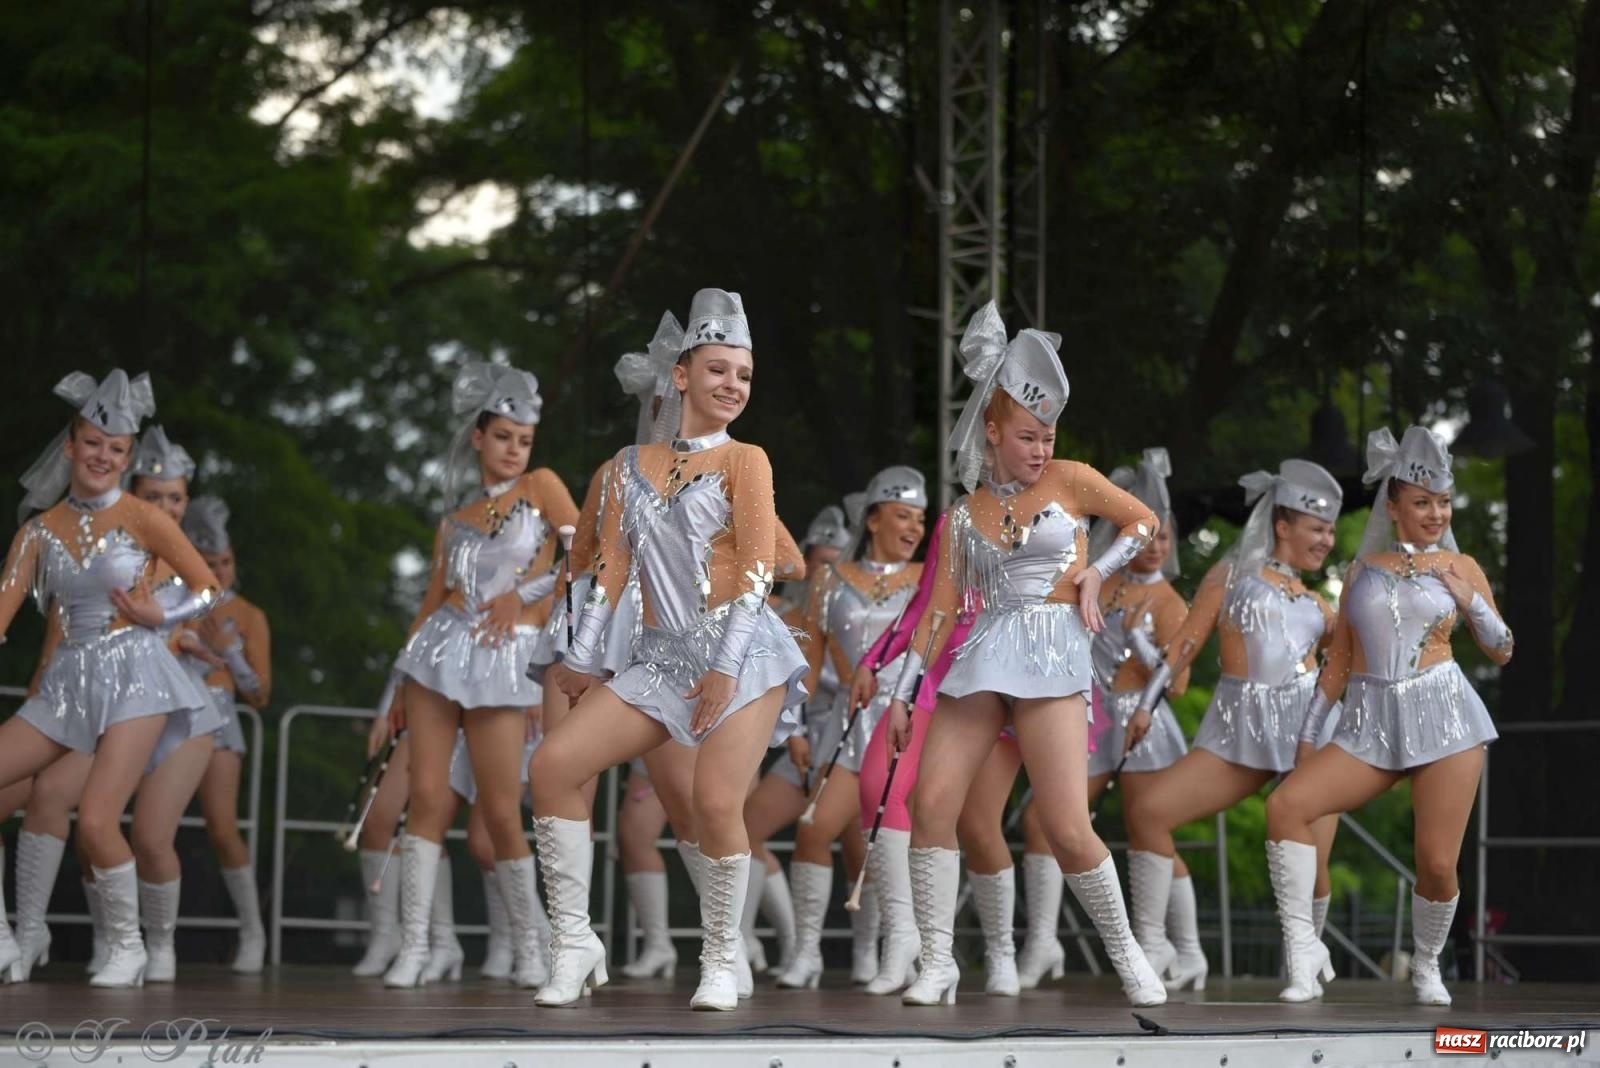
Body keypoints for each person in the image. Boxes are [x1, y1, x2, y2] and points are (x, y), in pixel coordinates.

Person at [533, 289, 808, 1011]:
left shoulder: (747, 460)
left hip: (741, 654)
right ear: (680, 377)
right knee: (553, 766)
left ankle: (721, 956)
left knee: (716, 803)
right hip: (657, 659)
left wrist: (723, 668)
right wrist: (583, 657)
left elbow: (759, 567)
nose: (733, 386)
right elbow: (610, 568)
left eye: (743, 376)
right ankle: (572, 941)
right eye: (718, 370)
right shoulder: (627, 466)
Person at [885, 302, 1166, 1007]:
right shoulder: (960, 518)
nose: (1041, 449)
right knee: (931, 803)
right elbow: (941, 612)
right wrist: (899, 693)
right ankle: (938, 963)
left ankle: (1129, 953)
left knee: (1068, 827)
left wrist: (1100, 569)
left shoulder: (1070, 479)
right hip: (984, 652)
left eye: (1047, 436)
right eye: (1027, 437)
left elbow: (1142, 520)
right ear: (991, 429)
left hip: (1052, 652)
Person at [1266, 427, 1510, 1006]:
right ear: (1394, 506)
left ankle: (1426, 964)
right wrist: (1307, 738)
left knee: (1435, 863)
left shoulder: (1462, 563)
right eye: (1422, 502)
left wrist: (1469, 598)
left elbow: (1502, 648)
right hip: (1369, 725)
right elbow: (1340, 663)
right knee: (1286, 806)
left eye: (1443, 502)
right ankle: (1304, 953)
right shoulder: (1363, 569)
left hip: (1446, 718)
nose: (1434, 513)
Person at [0, 372, 221, 988]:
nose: (102, 456)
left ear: (127, 458)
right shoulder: (37, 532)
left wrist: (162, 614)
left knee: (98, 820)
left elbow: (208, 586)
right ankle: (9, 932)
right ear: (69, 446)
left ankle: (129, 946)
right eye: (93, 442)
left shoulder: (145, 517)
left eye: (116, 449)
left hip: (137, 675)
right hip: (68, 682)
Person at [385, 360, 578, 988]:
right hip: (438, 656)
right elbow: (431, 603)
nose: (514, 450)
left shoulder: (544, 486)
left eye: (523, 440)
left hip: (505, 658)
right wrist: (392, 690)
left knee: (500, 810)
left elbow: (586, 556)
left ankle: (531, 944)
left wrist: (523, 598)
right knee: (427, 799)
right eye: (502, 437)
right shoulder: (456, 521)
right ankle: (414, 946)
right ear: (477, 437)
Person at [1123, 459, 1343, 994]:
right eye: (1318, 528)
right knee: (1150, 811)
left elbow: (1347, 664)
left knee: (1312, 865)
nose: (1327, 540)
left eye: (1332, 530)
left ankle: (1303, 963)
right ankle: (1154, 948)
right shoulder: (1232, 576)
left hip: (1310, 734)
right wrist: (1148, 702)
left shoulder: (1320, 603)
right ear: (1283, 525)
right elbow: (1187, 644)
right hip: (1238, 729)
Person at [774, 467, 926, 990]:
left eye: (921, 520)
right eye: (904, 516)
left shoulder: (928, 578)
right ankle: (807, 952)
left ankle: (885, 950)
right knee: (814, 830)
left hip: (906, 722)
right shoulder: (829, 580)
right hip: (847, 720)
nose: (914, 528)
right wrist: (793, 727)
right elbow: (808, 663)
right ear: (874, 518)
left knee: (889, 841)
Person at [182, 495, 272, 973]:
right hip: (163, 716)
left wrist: (228, 650)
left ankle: (252, 930)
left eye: (225, 561)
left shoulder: (250, 615)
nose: (219, 570)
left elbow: (259, 693)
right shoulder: (173, 600)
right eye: (209, 562)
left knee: (222, 828)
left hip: (218, 717)